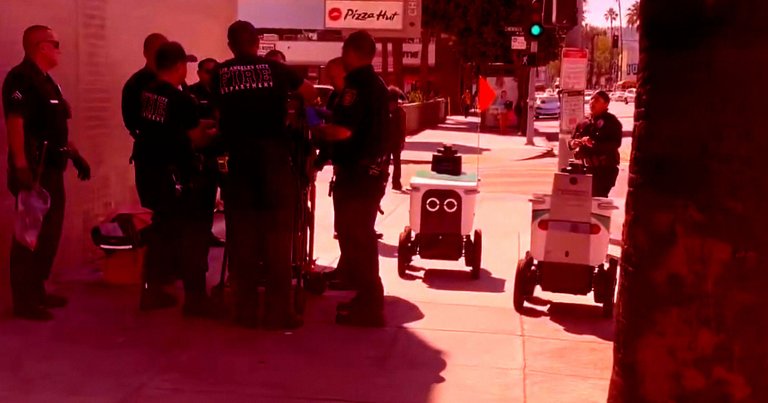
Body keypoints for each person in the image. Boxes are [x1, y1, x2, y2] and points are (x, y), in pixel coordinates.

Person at [211, 20, 317, 330]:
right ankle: (278, 313)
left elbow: (218, 113)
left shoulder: (220, 73)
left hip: (238, 161)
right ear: (257, 43)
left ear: (230, 46)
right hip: (272, 159)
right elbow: (310, 93)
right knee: (278, 238)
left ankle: (244, 311)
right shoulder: (276, 69)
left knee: (242, 237)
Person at [2, 25, 91, 320]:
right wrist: (21, 165)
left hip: (52, 169)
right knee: (29, 236)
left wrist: (75, 156)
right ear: (41, 47)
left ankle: (37, 289)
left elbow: (55, 127)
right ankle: (24, 300)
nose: (59, 50)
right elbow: (15, 123)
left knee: (49, 235)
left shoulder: (48, 82)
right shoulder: (21, 78)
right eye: (56, 43)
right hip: (35, 171)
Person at [133, 41, 218, 316]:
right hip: (177, 177)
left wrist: (200, 124)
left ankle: (152, 291)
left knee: (162, 231)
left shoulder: (148, 93)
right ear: (180, 66)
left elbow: (167, 125)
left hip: (151, 172)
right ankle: (196, 298)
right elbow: (196, 139)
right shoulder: (181, 99)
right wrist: (215, 133)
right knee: (192, 234)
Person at [315, 30, 390, 327]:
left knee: (358, 237)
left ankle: (370, 304)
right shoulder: (376, 83)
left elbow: (343, 130)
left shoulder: (357, 86)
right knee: (355, 236)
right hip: (368, 172)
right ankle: (365, 297)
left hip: (359, 174)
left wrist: (314, 130)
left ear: (349, 52)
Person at [187, 58, 225, 248]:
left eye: (214, 72)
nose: (211, 76)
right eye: (207, 71)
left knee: (214, 191)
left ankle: (207, 232)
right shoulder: (190, 94)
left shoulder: (223, 93)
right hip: (198, 152)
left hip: (219, 152)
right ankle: (195, 233)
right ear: (199, 73)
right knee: (198, 194)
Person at [568, 90, 623, 197]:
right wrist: (573, 143)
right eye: (591, 99)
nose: (592, 102)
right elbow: (571, 141)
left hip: (604, 171)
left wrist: (594, 144)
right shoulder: (583, 122)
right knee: (581, 201)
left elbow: (615, 144)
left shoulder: (612, 122)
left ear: (606, 104)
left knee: (597, 200)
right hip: (584, 170)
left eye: (597, 100)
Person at [121, 33, 170, 140]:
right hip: (151, 145)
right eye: (157, 51)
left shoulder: (171, 79)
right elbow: (131, 121)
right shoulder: (135, 84)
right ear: (146, 53)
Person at [388, 86, 407, 191]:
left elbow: (403, 128)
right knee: (385, 163)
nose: (392, 105)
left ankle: (396, 182)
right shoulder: (384, 112)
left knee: (397, 163)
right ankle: (384, 181)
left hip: (395, 141)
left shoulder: (400, 112)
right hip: (387, 141)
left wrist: (402, 141)